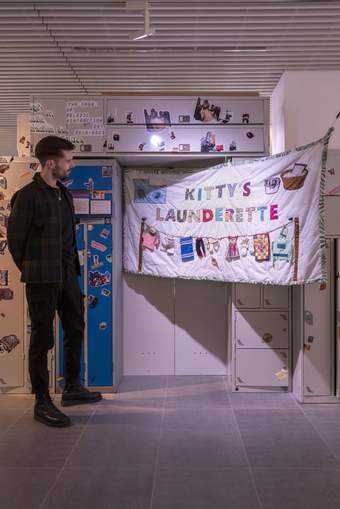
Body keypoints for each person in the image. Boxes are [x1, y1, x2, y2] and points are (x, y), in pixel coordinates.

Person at [7, 136, 102, 428]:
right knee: (42, 338)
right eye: (68, 160)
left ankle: (72, 388)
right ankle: (42, 401)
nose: (70, 165)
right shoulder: (28, 196)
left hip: (67, 273)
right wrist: (34, 269)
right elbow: (15, 242)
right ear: (51, 162)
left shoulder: (64, 194)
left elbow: (68, 239)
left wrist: (70, 266)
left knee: (76, 327)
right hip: (42, 278)